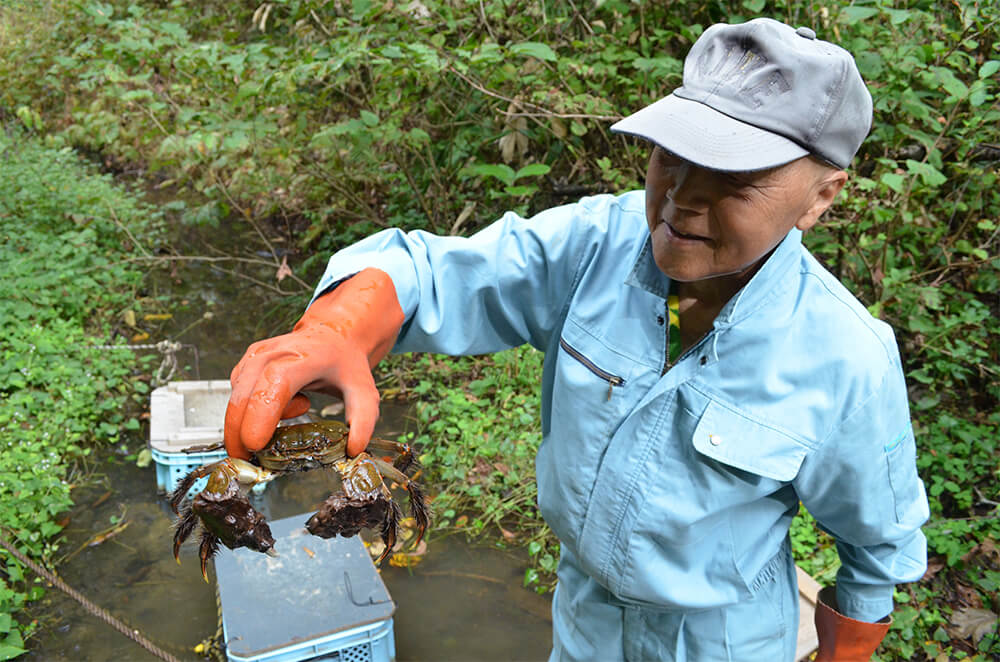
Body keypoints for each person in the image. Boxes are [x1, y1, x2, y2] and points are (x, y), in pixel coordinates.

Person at [223, 17, 929, 662]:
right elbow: (435, 275)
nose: (683, 197)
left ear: (821, 196)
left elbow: (877, 546)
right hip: (585, 624)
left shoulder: (847, 358)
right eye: (670, 157)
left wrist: (846, 653)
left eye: (736, 180)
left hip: (724, 643)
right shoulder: (595, 246)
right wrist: (337, 326)